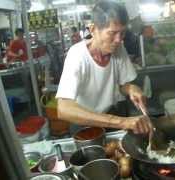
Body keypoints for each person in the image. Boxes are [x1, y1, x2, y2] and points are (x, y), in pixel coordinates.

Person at [56, 1, 152, 135]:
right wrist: (122, 122)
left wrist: (131, 89)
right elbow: (63, 109)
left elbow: (122, 84)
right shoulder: (77, 55)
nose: (119, 40)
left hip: (111, 115)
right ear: (93, 29)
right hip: (85, 124)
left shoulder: (118, 48)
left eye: (122, 33)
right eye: (112, 33)